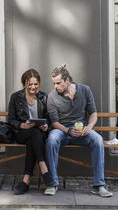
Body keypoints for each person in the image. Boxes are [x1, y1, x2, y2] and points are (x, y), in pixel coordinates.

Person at [44, 64, 113, 197]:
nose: (55, 86)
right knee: (51, 140)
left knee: (98, 140)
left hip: (82, 131)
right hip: (62, 130)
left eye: (58, 83)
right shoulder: (52, 96)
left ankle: (99, 185)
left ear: (67, 80)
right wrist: (68, 131)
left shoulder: (85, 90)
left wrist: (89, 127)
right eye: (54, 83)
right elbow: (54, 123)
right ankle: (52, 183)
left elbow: (93, 114)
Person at [7, 69, 53, 195]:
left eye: (36, 84)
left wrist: (46, 125)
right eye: (30, 84)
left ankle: (26, 180)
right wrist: (22, 125)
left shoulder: (44, 97)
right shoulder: (16, 97)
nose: (33, 87)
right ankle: (44, 167)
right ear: (25, 84)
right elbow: (10, 120)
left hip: (38, 134)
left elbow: (48, 117)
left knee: (33, 137)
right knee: (33, 133)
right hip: (22, 133)